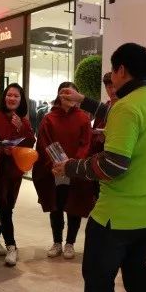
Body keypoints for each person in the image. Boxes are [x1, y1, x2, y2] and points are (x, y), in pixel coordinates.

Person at [56, 43, 146, 292]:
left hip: (117, 216)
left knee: (98, 281)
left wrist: (70, 166)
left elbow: (113, 166)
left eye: (113, 71)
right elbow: (121, 117)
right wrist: (84, 101)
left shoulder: (127, 107)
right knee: (137, 273)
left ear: (122, 70)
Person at [33, 82, 95, 260]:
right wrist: (55, 164)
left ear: (76, 95)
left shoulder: (83, 118)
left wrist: (73, 165)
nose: (67, 96)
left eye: (71, 93)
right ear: (58, 95)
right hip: (55, 170)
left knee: (74, 206)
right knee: (56, 206)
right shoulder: (48, 118)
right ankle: (57, 242)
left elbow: (86, 144)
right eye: (63, 93)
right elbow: (44, 143)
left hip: (75, 170)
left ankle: (70, 243)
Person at [0, 83, 36, 266]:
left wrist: (21, 127)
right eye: (9, 95)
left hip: (15, 171)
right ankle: (11, 246)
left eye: (16, 96)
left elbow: (30, 142)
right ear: (4, 97)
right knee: (4, 208)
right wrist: (1, 149)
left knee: (8, 207)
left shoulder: (23, 120)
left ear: (21, 100)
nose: (12, 98)